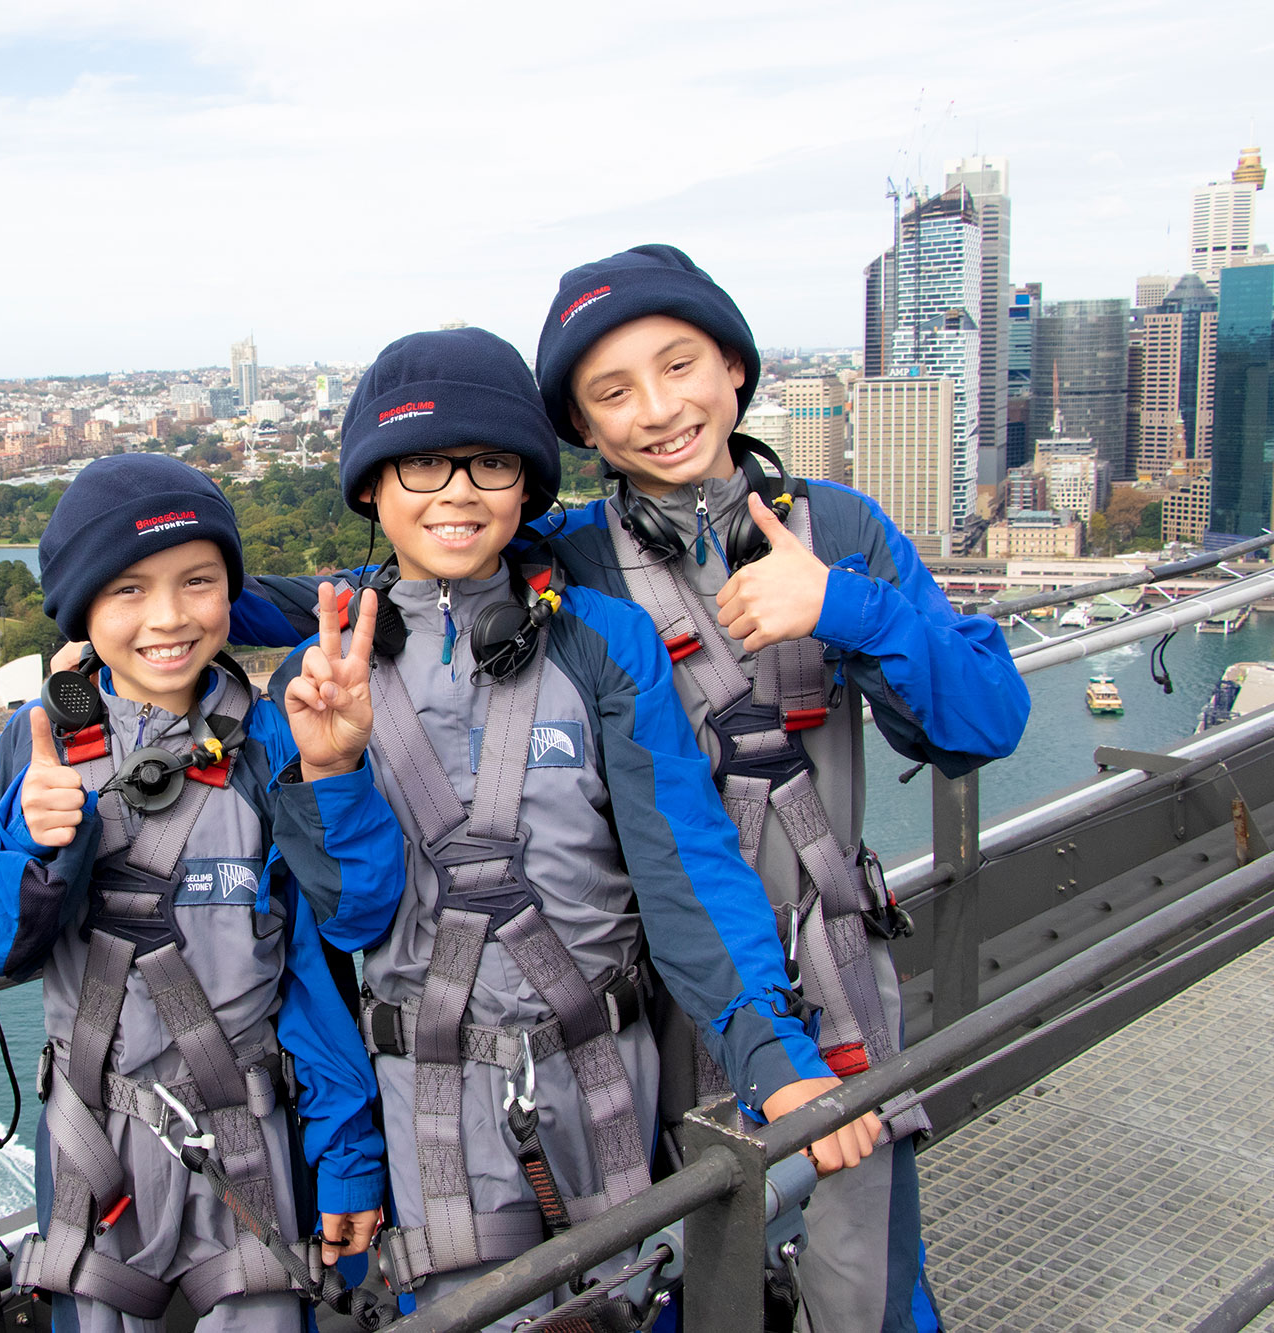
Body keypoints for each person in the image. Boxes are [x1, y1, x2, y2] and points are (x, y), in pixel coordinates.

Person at [268, 328, 880, 1326]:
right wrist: (330, 767)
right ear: (372, 489)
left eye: (491, 463)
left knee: (624, 1301)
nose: (456, 492)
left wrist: (771, 1058)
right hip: (433, 1092)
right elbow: (348, 918)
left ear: (526, 487)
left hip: (599, 1068)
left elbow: (681, 866)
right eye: (421, 463)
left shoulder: (602, 641)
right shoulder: (322, 677)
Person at [532, 244, 1030, 1332]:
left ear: (734, 371)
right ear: (581, 428)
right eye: (612, 392)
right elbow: (416, 588)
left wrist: (843, 607)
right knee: (680, 1264)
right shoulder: (566, 563)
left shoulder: (835, 529)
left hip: (828, 957)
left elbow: (984, 720)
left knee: (860, 1273)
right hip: (654, 983)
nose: (658, 409)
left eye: (680, 366)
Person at [0, 454, 398, 1333]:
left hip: (249, 1138)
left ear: (230, 589)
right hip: (94, 1149)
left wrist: (346, 1152)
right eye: (128, 590)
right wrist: (29, 836)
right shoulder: (31, 745)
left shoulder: (273, 736)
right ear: (81, 610)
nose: (168, 617)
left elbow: (327, 946)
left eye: (198, 581)